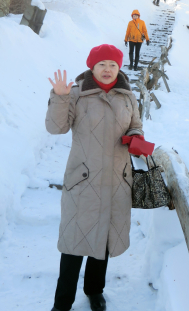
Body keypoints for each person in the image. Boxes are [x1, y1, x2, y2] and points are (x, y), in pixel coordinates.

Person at [46, 44, 145, 311]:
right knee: (74, 243)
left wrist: (136, 137)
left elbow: (136, 124)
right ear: (92, 66)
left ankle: (95, 291)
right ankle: (62, 303)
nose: (107, 69)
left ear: (119, 67)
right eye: (101, 64)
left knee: (104, 240)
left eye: (112, 64)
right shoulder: (75, 93)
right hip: (83, 178)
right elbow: (56, 128)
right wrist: (59, 97)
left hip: (116, 178)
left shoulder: (127, 96)